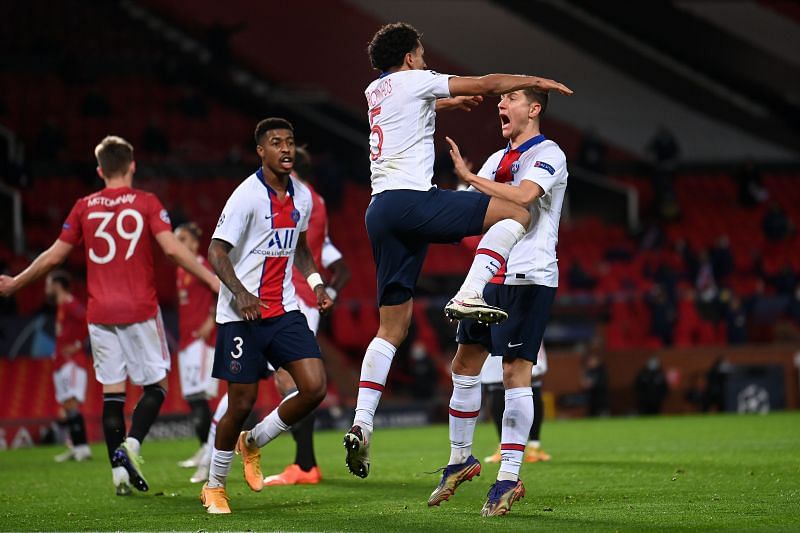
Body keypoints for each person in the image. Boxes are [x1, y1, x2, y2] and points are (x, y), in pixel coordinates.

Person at [344, 21, 572, 480]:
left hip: (379, 211)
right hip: (413, 201)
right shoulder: (417, 79)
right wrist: (535, 82)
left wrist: (446, 104)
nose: (426, 61)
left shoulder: (376, 92)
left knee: (392, 327)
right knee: (516, 213)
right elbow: (488, 84)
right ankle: (470, 292)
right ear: (410, 57)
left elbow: (410, 110)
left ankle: (362, 421)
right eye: (422, 54)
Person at [0, 136, 220, 495]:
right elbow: (173, 251)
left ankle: (118, 476)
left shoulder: (84, 206)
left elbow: (54, 256)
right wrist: (214, 281)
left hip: (100, 314)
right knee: (157, 386)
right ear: (132, 165)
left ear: (100, 170)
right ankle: (131, 446)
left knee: (112, 394)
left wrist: (15, 283)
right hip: (140, 309)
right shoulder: (146, 202)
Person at [427, 86, 567, 517]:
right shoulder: (496, 159)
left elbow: (524, 197)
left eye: (510, 99)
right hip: (490, 276)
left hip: (529, 274)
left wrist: (470, 179)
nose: (501, 105)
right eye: (500, 99)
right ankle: (460, 459)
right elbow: (472, 210)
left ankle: (508, 475)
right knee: (465, 364)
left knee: (513, 372)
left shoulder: (550, 153)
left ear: (534, 108)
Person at [190, 146, 350, 487]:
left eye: (289, 142)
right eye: (277, 143)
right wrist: (241, 293)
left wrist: (319, 285)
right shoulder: (249, 196)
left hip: (289, 306)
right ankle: (216, 482)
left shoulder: (305, 199)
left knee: (308, 386)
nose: (285, 149)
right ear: (262, 151)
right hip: (243, 312)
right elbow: (217, 250)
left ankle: (272, 450)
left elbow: (306, 249)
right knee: (241, 401)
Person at [173, 222, 219, 474]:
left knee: (201, 396)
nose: (178, 244)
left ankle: (210, 451)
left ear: (193, 242)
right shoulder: (181, 270)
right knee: (192, 397)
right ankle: (204, 447)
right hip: (186, 341)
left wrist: (210, 321)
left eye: (182, 239)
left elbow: (220, 291)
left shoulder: (201, 264)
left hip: (202, 341)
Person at [46, 270, 91, 463]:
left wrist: (79, 345)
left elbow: (89, 319)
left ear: (57, 285)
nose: (46, 289)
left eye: (48, 284)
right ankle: (77, 446)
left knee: (72, 403)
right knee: (67, 404)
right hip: (61, 363)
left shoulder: (71, 303)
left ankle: (82, 448)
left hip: (73, 362)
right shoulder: (61, 306)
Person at [482, 343, 551, 464]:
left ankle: (533, 446)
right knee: (497, 382)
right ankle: (506, 447)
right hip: (499, 330)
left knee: (530, 379)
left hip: (517, 329)